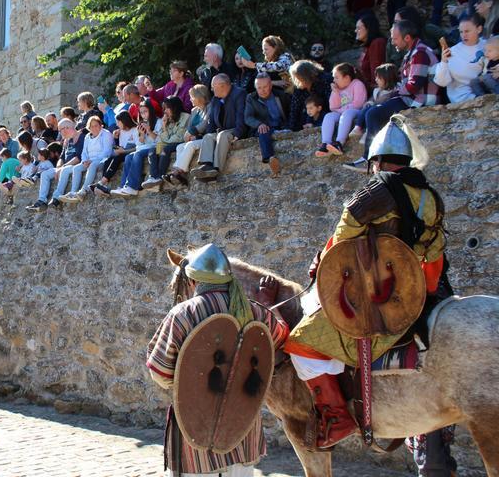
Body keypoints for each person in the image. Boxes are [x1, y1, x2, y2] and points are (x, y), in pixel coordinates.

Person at [284, 116, 457, 475]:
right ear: (406, 160)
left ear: (376, 161)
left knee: (299, 342)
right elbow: (434, 255)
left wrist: (320, 274)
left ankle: (336, 415)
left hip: (373, 302)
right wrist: (418, 297)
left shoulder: (372, 192)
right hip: (421, 296)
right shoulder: (430, 198)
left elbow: (339, 244)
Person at [146, 243, 288, 477]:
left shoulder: (183, 314)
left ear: (193, 282)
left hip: (195, 431)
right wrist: (267, 303)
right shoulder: (257, 312)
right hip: (242, 430)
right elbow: (281, 334)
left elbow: (160, 371)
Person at [346, 20, 439, 172]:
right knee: (374, 111)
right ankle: (376, 159)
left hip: (418, 100)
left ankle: (371, 160)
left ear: (407, 38)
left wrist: (393, 93)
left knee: (374, 114)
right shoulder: (412, 53)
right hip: (410, 97)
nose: (392, 42)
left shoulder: (420, 53)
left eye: (395, 39)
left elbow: (414, 85)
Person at [185, 75, 248, 182]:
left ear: (222, 86)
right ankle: (207, 166)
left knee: (222, 135)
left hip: (237, 130)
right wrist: (209, 133)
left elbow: (241, 116)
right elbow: (211, 122)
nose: (211, 89)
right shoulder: (215, 99)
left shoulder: (239, 94)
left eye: (213, 86)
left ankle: (215, 170)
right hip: (223, 130)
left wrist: (237, 134)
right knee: (208, 136)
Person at [110, 98, 162, 197]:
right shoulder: (142, 124)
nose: (144, 115)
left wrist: (149, 131)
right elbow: (141, 142)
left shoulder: (158, 122)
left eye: (145, 111)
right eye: (141, 113)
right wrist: (142, 135)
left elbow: (159, 140)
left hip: (156, 147)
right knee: (128, 157)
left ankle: (132, 187)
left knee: (137, 154)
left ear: (150, 110)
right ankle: (123, 186)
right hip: (145, 147)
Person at [316, 63, 367, 157]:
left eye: (336, 77)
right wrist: (335, 92)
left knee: (347, 114)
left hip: (357, 112)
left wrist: (340, 110)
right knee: (329, 116)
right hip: (342, 112)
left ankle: (340, 143)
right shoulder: (338, 88)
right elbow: (333, 107)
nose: (334, 80)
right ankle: (325, 143)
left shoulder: (357, 84)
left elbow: (357, 104)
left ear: (347, 78)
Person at [434, 14, 487, 103]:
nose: (464, 35)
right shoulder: (452, 52)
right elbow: (441, 82)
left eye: (467, 31)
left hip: (486, 93)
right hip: (462, 99)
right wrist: (444, 62)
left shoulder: (488, 45)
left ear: (479, 29)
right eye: (461, 32)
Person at [59, 116, 114, 202]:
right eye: (91, 126)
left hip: (102, 160)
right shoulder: (88, 136)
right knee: (76, 168)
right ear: (89, 127)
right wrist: (84, 160)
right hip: (88, 160)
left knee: (92, 165)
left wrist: (91, 161)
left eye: (96, 125)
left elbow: (107, 152)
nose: (94, 128)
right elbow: (84, 152)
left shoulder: (106, 134)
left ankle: (83, 191)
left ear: (100, 125)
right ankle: (73, 193)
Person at [141, 96, 191, 191]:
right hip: (168, 143)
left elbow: (177, 138)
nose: (165, 111)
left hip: (179, 143)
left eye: (167, 108)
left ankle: (159, 177)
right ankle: (153, 176)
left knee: (164, 149)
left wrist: (165, 138)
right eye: (164, 109)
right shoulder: (168, 119)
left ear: (174, 107)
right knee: (153, 150)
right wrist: (164, 127)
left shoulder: (186, 117)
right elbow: (161, 140)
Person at [244, 74, 288, 176]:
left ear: (271, 86)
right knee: (263, 131)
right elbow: (248, 118)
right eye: (259, 88)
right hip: (264, 127)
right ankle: (270, 158)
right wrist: (259, 124)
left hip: (281, 125)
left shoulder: (280, 95)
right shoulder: (251, 98)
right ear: (256, 87)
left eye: (265, 87)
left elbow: (290, 112)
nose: (262, 90)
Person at [90, 111, 138, 196]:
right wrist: (115, 140)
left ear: (124, 121)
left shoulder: (135, 130)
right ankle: (102, 184)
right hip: (123, 152)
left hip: (131, 153)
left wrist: (124, 151)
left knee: (117, 158)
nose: (117, 125)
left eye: (118, 122)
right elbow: (121, 146)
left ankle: (101, 183)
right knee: (109, 159)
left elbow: (137, 147)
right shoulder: (121, 131)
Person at [287, 60, 332, 132]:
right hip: (310, 119)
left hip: (327, 116)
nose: (297, 80)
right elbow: (295, 109)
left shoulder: (324, 80)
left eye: (299, 78)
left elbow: (331, 103)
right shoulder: (299, 88)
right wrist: (291, 128)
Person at [356, 12, 388, 91]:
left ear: (368, 29)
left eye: (359, 28)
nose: (355, 31)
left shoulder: (377, 43)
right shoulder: (368, 46)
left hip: (375, 91)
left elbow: (377, 72)